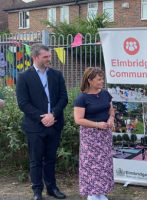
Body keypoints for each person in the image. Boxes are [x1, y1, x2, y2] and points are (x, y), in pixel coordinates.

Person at [16, 44, 68, 200]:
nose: (48, 59)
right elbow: (23, 103)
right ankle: (37, 191)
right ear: (35, 57)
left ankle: (52, 188)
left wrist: (52, 115)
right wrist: (43, 117)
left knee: (51, 159)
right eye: (45, 56)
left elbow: (63, 98)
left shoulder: (56, 75)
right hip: (34, 126)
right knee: (36, 160)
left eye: (49, 56)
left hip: (55, 123)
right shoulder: (23, 77)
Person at [73, 67, 115, 200]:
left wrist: (111, 118)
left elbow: (111, 109)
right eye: (99, 79)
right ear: (89, 80)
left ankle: (100, 192)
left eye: (102, 78)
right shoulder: (82, 98)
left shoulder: (105, 94)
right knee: (91, 165)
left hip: (104, 134)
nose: (102, 81)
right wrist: (97, 124)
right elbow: (78, 119)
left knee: (104, 164)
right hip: (90, 136)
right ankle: (91, 194)